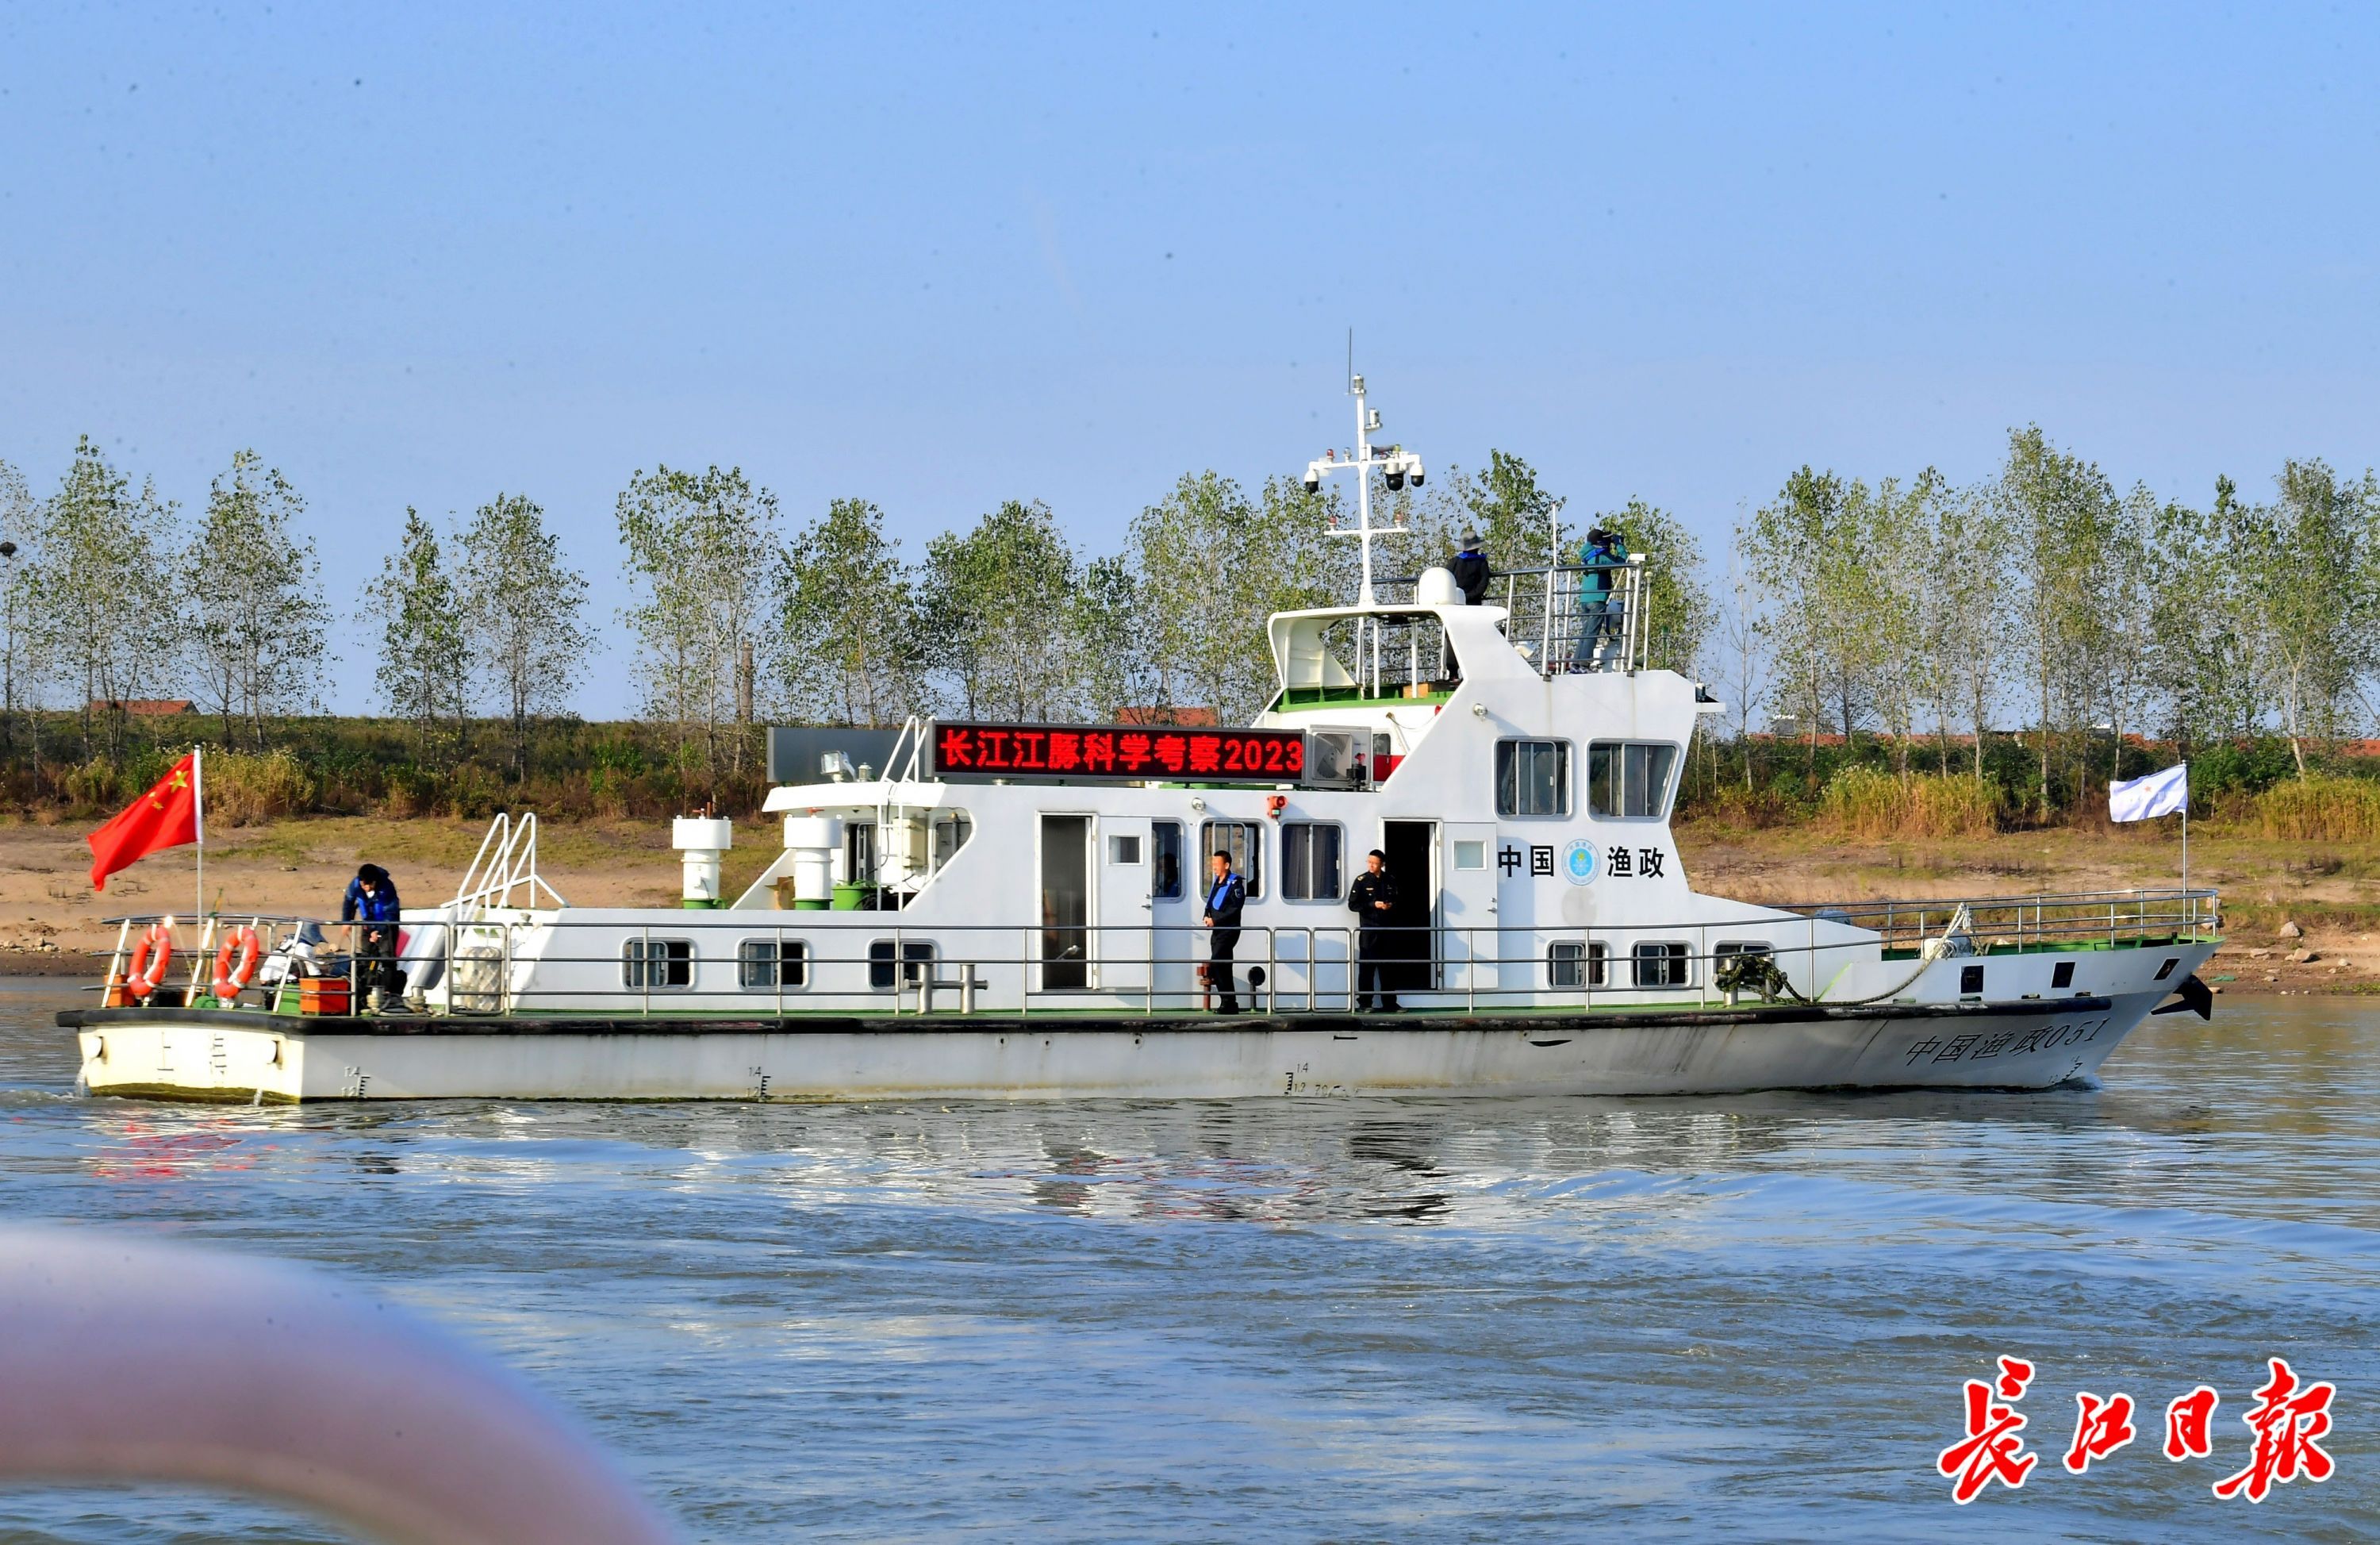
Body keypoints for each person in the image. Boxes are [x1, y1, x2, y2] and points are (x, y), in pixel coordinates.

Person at [342, 863, 403, 1009]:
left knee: (387, 959)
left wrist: (378, 931)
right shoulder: (356, 884)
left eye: (370, 885)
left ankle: (387, 994)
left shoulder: (387, 888)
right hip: (367, 925)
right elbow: (348, 901)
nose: (367, 888)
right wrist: (346, 921)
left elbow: (391, 913)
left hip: (387, 926)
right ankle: (365, 992)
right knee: (366, 958)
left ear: (375, 882)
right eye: (364, 884)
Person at [1347, 848, 1400, 1011]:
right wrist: (1372, 905)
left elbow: (1397, 900)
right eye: (1369, 862)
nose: (1371, 865)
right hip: (1369, 931)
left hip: (1387, 930)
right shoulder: (1361, 881)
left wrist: (1390, 905)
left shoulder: (1390, 880)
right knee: (1367, 968)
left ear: (1382, 864)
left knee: (1388, 968)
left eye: (1375, 863)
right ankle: (1365, 1003)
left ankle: (1390, 1003)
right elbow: (1353, 905)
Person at [1574, 525, 1630, 667]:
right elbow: (1622, 562)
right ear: (1600, 542)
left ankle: (1575, 664)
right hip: (1597, 598)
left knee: (1585, 633)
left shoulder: (1587, 554)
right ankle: (1584, 665)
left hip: (1585, 599)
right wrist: (1619, 545)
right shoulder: (1601, 556)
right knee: (1592, 633)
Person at [1201, 849, 1246, 1014]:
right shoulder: (1218, 882)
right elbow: (1212, 903)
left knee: (1218, 963)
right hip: (1217, 931)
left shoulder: (1235, 884)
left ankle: (1228, 1002)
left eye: (1217, 864)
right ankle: (1229, 1003)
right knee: (1223, 965)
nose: (1214, 867)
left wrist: (1216, 920)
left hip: (1228, 930)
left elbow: (1235, 908)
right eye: (1213, 864)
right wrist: (1207, 915)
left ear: (1226, 865)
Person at [1449, 528, 1491, 607]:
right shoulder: (1482, 563)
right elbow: (1483, 585)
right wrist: (1469, 596)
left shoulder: (1454, 562)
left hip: (1456, 602)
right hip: (1474, 604)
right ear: (1477, 547)